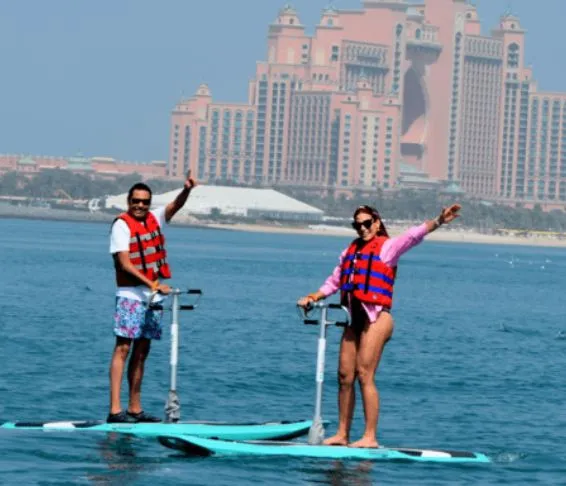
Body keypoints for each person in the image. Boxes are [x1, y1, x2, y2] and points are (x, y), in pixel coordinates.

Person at [297, 203, 461, 448]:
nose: (362, 229)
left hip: (377, 319)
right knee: (344, 376)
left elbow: (413, 236)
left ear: (376, 223)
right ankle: (342, 434)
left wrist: (438, 220)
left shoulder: (387, 247)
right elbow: (334, 281)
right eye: (357, 225)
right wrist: (313, 297)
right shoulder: (350, 251)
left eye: (366, 224)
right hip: (354, 319)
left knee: (364, 374)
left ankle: (370, 437)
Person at [107, 172, 197, 423]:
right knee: (123, 348)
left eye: (145, 202)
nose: (140, 205)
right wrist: (153, 284)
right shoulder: (121, 225)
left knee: (142, 351)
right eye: (136, 201)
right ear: (128, 201)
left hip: (153, 297)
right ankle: (115, 411)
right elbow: (124, 263)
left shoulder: (155, 218)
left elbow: (174, 206)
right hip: (130, 295)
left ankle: (135, 408)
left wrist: (186, 190)